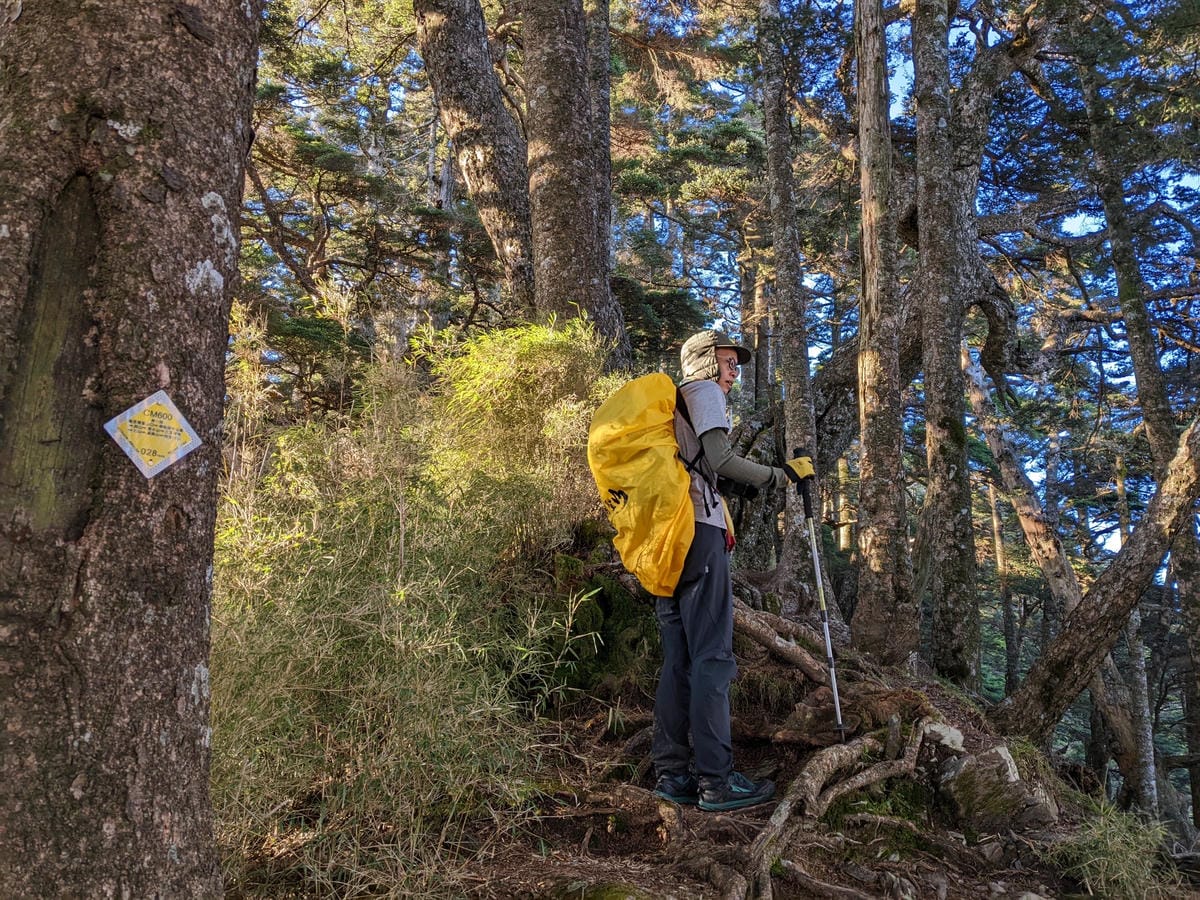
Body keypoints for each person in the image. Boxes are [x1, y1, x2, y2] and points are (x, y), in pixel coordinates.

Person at [652, 329, 813, 811]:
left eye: (737, 363)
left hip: (666, 540)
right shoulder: (701, 393)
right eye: (728, 361)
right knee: (713, 659)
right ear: (703, 362)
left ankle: (672, 776)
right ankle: (717, 783)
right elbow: (720, 457)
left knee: (678, 661)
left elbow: (702, 464)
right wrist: (778, 475)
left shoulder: (671, 405)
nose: (735, 370)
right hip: (698, 536)